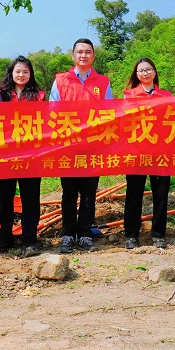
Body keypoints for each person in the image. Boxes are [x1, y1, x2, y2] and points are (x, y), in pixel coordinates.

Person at [49, 38, 113, 253]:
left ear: (93, 55)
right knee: (68, 192)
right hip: (68, 146)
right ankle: (68, 234)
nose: (83, 55)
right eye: (80, 52)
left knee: (89, 192)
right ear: (73, 56)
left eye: (88, 52)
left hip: (93, 145)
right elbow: (53, 112)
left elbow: (109, 112)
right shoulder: (60, 80)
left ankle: (84, 233)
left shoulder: (103, 82)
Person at [0, 55, 45, 257]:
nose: (21, 75)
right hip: (5, 155)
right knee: (5, 198)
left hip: (31, 155)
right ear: (11, 73)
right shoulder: (0, 95)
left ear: (30, 74)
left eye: (25, 71)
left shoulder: (39, 96)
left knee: (30, 199)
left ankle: (30, 239)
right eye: (18, 71)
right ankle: (5, 237)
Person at [123, 58, 173, 249]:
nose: (145, 73)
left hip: (161, 151)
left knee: (161, 193)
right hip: (136, 151)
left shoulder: (166, 96)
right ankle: (131, 234)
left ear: (154, 72)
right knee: (134, 193)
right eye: (141, 70)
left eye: (148, 69)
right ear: (136, 75)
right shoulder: (128, 96)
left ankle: (158, 233)